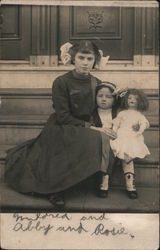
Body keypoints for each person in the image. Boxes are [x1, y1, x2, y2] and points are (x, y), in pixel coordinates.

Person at [4, 40, 121, 208]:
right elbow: (63, 115)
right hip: (63, 124)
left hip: (87, 124)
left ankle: (92, 180)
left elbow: (102, 106)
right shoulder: (61, 82)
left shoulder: (96, 82)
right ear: (73, 58)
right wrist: (93, 127)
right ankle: (55, 189)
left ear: (95, 60)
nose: (85, 63)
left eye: (89, 59)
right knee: (71, 142)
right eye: (81, 58)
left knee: (100, 138)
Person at [110, 88, 150, 199]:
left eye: (135, 98)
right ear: (125, 100)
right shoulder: (122, 113)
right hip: (121, 135)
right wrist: (113, 131)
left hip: (132, 136)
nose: (132, 100)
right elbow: (116, 123)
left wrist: (140, 130)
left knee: (128, 152)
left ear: (140, 101)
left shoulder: (139, 115)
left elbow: (144, 123)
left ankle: (130, 185)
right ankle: (105, 182)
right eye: (129, 98)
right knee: (116, 148)